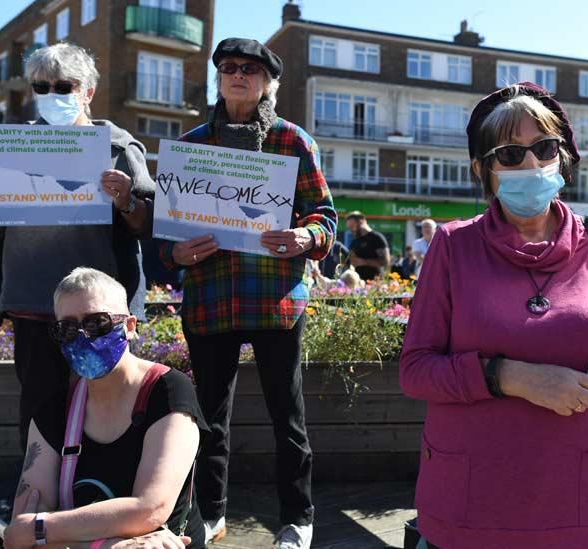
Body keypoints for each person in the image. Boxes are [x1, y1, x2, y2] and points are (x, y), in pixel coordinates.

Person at [400, 82, 588, 548]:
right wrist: (513, 378)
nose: (531, 164)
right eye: (510, 154)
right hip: (472, 504)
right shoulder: (452, 245)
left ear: (563, 157)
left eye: (544, 147)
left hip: (585, 498)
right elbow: (416, 371)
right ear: (484, 169)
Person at [158, 38, 336, 549]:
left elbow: (325, 217)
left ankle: (297, 519)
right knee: (208, 417)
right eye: (230, 68)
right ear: (218, 79)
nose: (239, 76)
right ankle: (210, 513)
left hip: (275, 300)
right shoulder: (190, 145)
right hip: (211, 301)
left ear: (267, 84)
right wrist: (178, 255)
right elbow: (165, 240)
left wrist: (307, 237)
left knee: (289, 416)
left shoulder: (293, 141)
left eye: (251, 69)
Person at [0, 43, 155, 450]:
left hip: (99, 312)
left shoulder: (118, 145)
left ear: (87, 92)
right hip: (32, 301)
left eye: (64, 85)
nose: (52, 94)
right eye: (42, 87)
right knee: (40, 410)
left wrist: (127, 200)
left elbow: (148, 226)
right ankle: (36, 497)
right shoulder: (6, 148)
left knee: (106, 404)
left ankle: (98, 493)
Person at [2, 268, 207, 549]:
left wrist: (44, 528)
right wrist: (108, 546)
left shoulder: (167, 391)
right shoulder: (54, 409)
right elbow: (19, 535)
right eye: (67, 328)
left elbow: (149, 509)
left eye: (97, 322)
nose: (83, 336)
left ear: (130, 326)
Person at [346, 211, 389, 281]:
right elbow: (352, 261)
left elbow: (386, 262)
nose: (351, 230)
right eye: (349, 227)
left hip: (375, 283)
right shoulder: (354, 241)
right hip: (358, 283)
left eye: (352, 226)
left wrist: (362, 261)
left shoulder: (376, 238)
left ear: (361, 222)